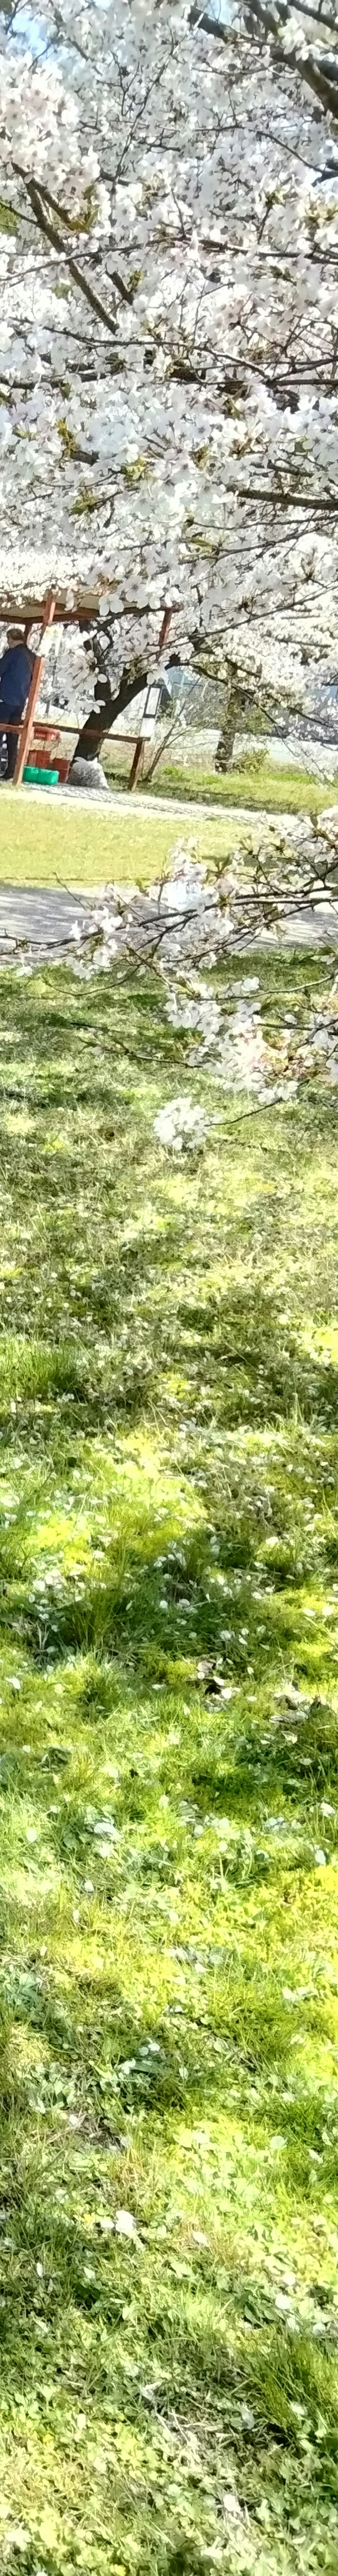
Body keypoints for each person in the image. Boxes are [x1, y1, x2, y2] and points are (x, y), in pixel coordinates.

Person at [0, 627, 34, 778]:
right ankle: (11, 770)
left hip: (5, 700)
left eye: (8, 640)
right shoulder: (32, 656)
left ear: (13, 640)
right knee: (13, 737)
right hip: (21, 702)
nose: (8, 643)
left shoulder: (13, 654)